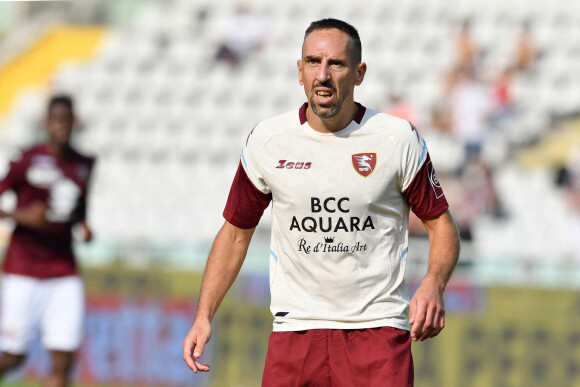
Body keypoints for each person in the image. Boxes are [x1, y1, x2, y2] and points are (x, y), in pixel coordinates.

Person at [183, 18, 460, 386]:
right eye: (313, 62)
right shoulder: (268, 141)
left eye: (337, 64)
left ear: (359, 73)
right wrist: (204, 315)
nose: (323, 74)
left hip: (375, 332)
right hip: (295, 333)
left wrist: (434, 283)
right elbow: (235, 233)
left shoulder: (396, 139)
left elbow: (442, 225)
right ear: (300, 71)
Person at [0, 95, 95, 387]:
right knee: (14, 356)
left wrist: (84, 227)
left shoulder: (84, 163)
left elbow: (78, 211)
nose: (61, 126)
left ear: (73, 122)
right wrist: (22, 216)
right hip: (23, 270)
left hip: (63, 271)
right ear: (47, 122)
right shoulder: (25, 159)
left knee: (64, 361)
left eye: (66, 120)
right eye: (56, 119)